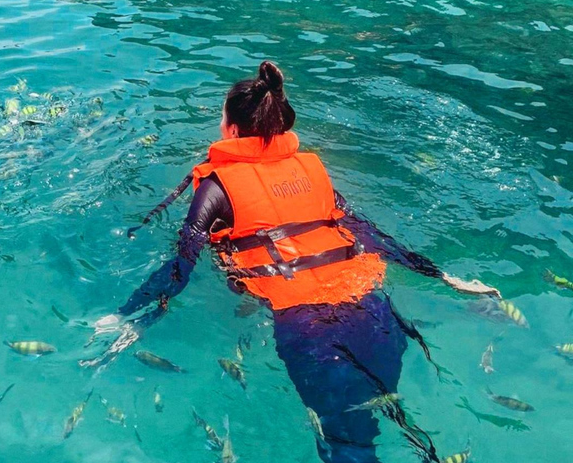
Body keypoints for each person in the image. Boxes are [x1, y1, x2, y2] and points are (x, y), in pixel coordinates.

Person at [87, 61, 500, 463]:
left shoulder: (216, 187)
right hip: (374, 309)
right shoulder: (312, 169)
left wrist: (129, 317)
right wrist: (443, 276)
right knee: (371, 427)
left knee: (347, 445)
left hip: (308, 327)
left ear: (231, 129)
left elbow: (181, 267)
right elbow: (368, 232)